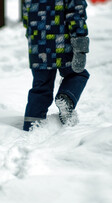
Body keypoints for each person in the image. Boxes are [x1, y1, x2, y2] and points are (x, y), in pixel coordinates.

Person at [22, 0, 90, 131]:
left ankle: (31, 126)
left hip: (38, 45)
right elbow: (76, 13)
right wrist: (80, 43)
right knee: (77, 74)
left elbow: (26, 15)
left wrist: (32, 36)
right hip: (62, 43)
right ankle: (66, 98)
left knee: (41, 87)